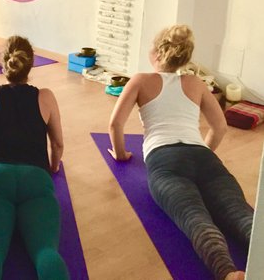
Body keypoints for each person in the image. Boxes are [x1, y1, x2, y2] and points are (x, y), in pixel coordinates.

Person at [108, 25, 252, 280]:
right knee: (241, 214)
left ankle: (229, 274)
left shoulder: (140, 80)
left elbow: (115, 124)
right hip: (203, 156)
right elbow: (219, 127)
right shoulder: (196, 83)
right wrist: (204, 153)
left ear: (157, 52)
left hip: (165, 160)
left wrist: (120, 155)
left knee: (195, 218)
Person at [0, 35, 67, 280]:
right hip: (36, 180)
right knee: (45, 250)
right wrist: (53, 168)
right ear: (30, 65)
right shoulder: (46, 96)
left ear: (4, 63)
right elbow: (58, 144)